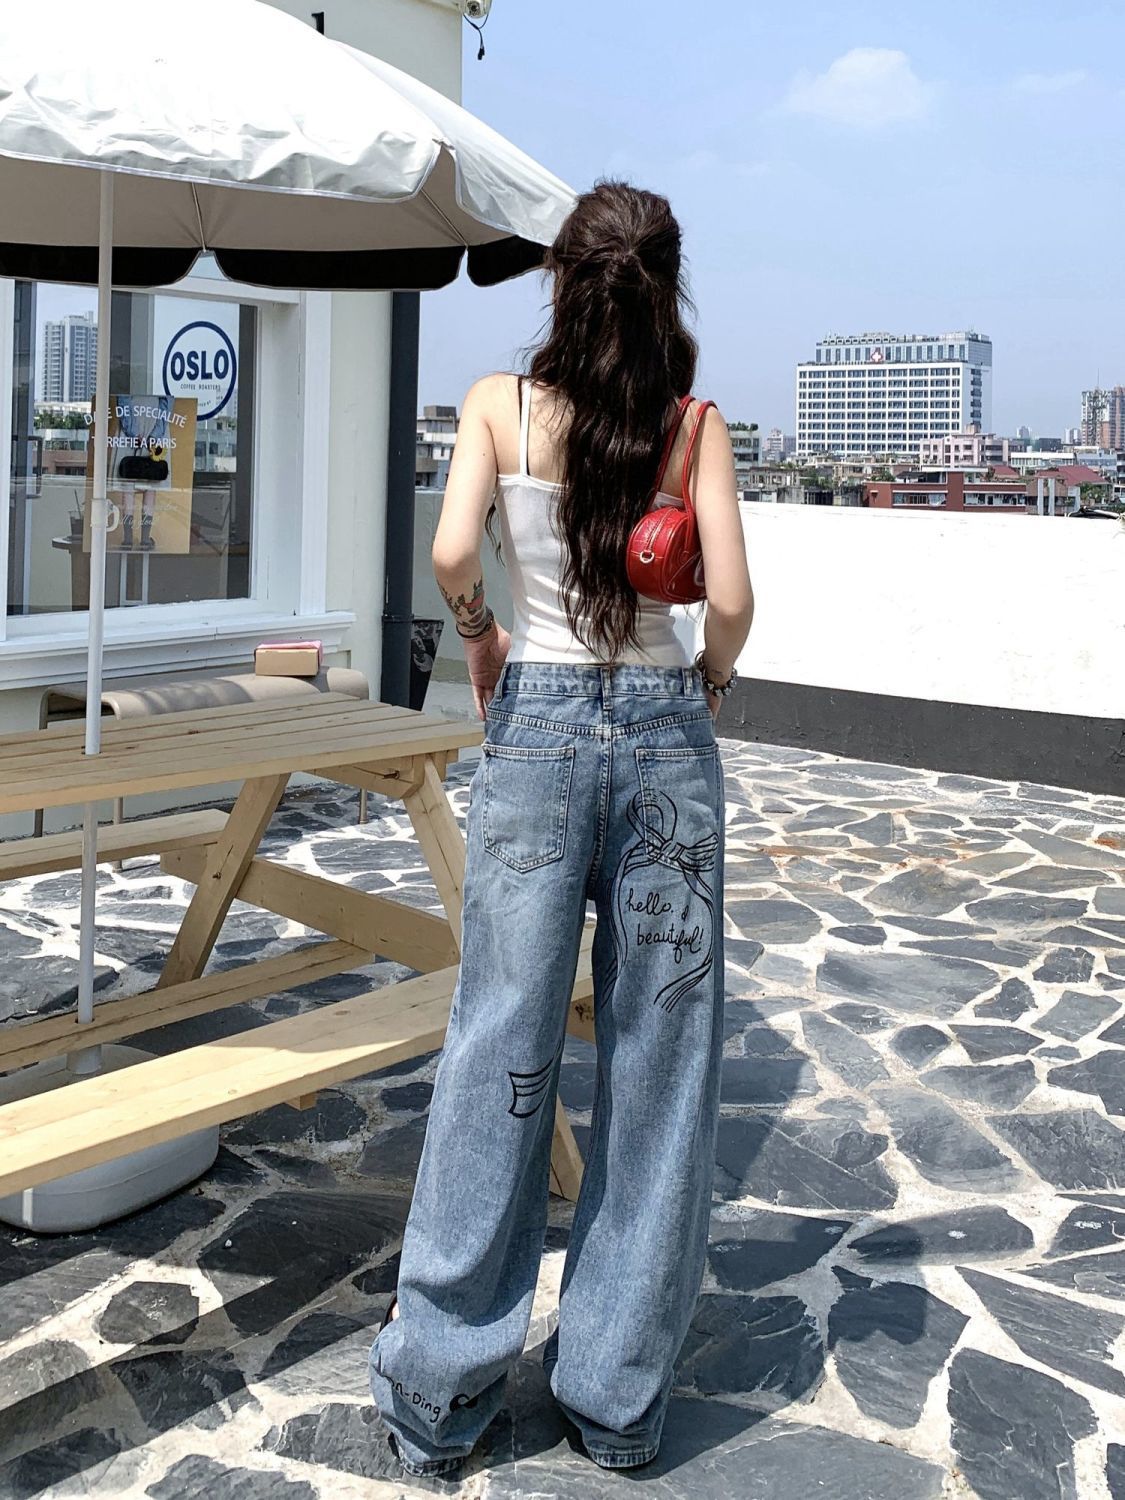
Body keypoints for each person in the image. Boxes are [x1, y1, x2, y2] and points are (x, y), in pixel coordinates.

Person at [369, 180, 754, 1477]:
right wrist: (703, 687)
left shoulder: (498, 404)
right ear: (667, 285)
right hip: (665, 739)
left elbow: (449, 555)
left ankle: (440, 1393)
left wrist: (483, 644)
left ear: (560, 281)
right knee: (659, 1067)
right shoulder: (691, 426)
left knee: (500, 1043)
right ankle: (615, 1397)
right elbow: (732, 605)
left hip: (533, 728)